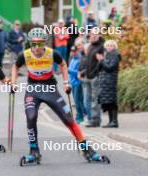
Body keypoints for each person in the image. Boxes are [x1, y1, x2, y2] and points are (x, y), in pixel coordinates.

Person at [11, 28, 108, 164]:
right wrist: (14, 83)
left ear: (45, 43)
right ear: (30, 44)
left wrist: (66, 82)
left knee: (68, 119)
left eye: (40, 44)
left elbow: (63, 64)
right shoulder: (25, 55)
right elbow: (15, 66)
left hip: (50, 89)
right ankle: (34, 151)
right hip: (33, 89)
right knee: (31, 116)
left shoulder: (52, 53)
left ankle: (87, 150)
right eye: (34, 44)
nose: (37, 47)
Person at [96, 40, 120, 128]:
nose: (110, 47)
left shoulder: (115, 55)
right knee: (108, 102)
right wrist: (100, 61)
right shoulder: (107, 55)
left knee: (112, 101)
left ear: (115, 47)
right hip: (104, 82)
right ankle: (111, 121)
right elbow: (99, 69)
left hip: (110, 81)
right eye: (108, 45)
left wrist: (102, 60)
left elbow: (109, 68)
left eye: (112, 45)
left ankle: (114, 121)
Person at [85, 28, 105, 127]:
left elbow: (101, 62)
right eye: (91, 34)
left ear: (98, 36)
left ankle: (95, 120)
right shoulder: (90, 46)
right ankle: (94, 119)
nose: (92, 36)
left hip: (95, 77)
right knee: (89, 99)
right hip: (88, 77)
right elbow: (89, 62)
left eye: (94, 34)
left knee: (94, 99)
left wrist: (95, 72)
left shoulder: (101, 47)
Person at [68, 37, 85, 124]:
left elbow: (78, 72)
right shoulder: (72, 59)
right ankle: (81, 114)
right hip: (73, 82)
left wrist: (69, 71)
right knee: (76, 100)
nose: (73, 53)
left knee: (78, 100)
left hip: (78, 82)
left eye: (74, 51)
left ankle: (80, 117)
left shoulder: (79, 58)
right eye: (72, 51)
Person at [78, 43, 92, 126]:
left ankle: (90, 118)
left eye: (87, 49)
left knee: (87, 101)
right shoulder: (84, 56)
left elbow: (88, 68)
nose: (86, 51)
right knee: (85, 101)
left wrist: (81, 74)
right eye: (85, 49)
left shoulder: (90, 58)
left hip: (88, 79)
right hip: (84, 79)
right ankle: (89, 118)